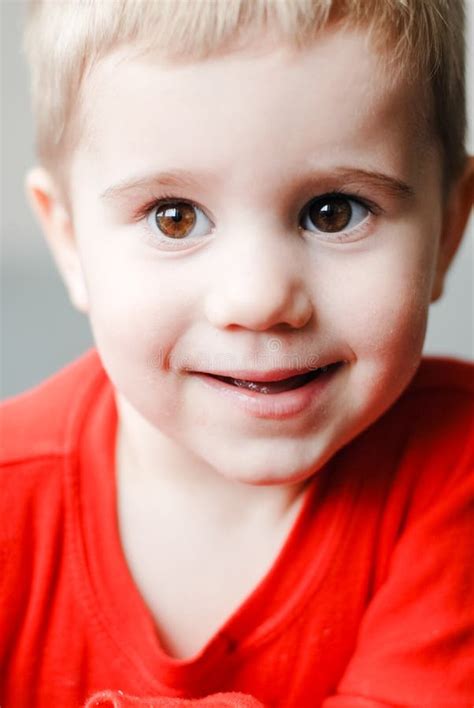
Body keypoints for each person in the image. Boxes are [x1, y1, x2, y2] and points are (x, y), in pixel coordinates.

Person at [1, 0, 473, 706]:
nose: (257, 299)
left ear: (446, 233)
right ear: (69, 243)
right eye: (176, 216)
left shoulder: (456, 473)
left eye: (334, 210)